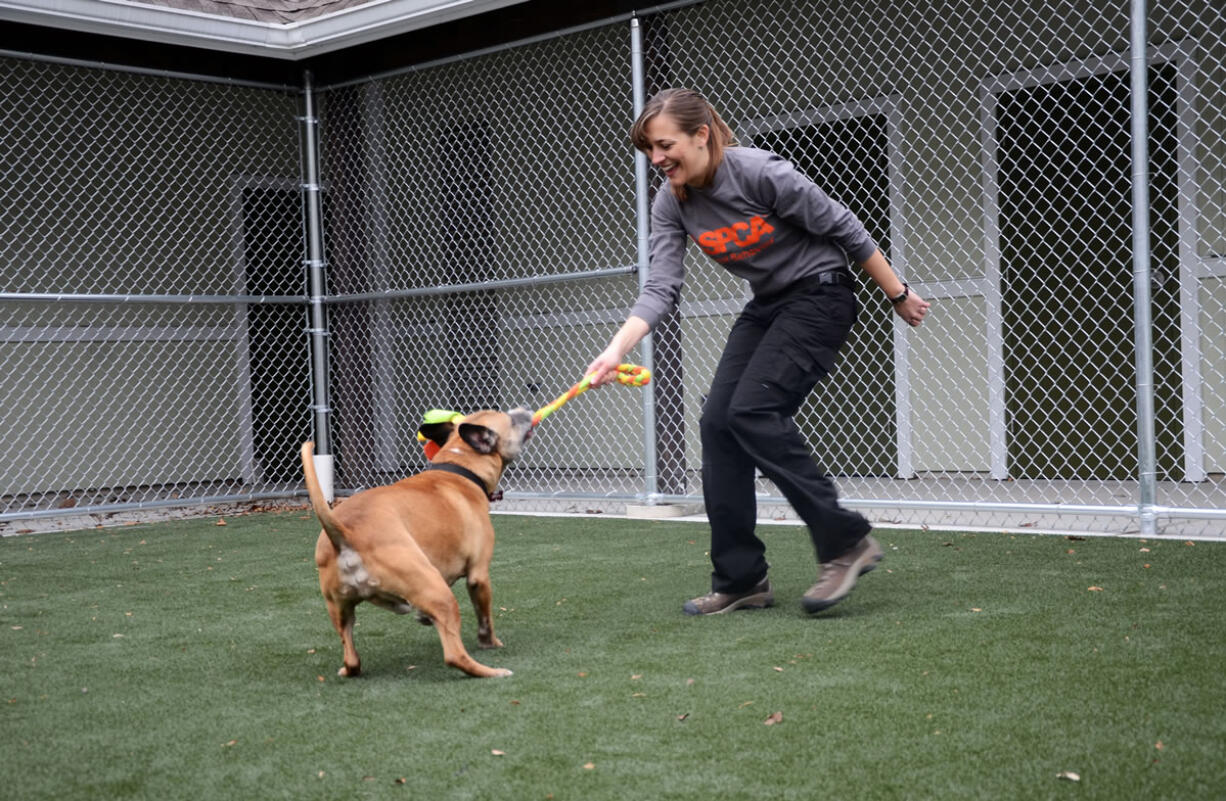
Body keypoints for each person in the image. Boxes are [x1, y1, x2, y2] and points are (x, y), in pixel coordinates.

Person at [585, 88, 930, 616]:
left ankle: (845, 542)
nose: (656, 160)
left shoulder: (759, 172)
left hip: (821, 294)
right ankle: (742, 578)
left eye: (663, 145)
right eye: (649, 150)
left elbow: (845, 228)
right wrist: (614, 350)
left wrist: (898, 294)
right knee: (719, 423)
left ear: (700, 135)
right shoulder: (671, 202)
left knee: (753, 410)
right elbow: (661, 287)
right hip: (769, 303)